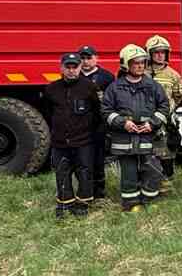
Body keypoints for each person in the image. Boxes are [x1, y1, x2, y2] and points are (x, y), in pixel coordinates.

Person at [100, 44, 171, 212]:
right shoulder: (115, 87)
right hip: (124, 138)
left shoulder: (153, 86)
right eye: (135, 63)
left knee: (153, 170)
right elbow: (106, 110)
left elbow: (164, 107)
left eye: (142, 62)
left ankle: (148, 199)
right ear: (126, 64)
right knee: (129, 173)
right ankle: (131, 204)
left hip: (148, 137)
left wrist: (151, 123)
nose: (140, 66)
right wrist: (123, 122)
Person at [39, 52, 101, 218]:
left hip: (84, 140)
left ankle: (82, 204)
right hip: (60, 141)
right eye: (68, 67)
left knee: (85, 172)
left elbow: (97, 112)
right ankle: (65, 204)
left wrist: (91, 133)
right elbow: (48, 112)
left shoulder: (89, 87)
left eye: (75, 67)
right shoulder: (51, 89)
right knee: (62, 172)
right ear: (62, 68)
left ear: (80, 67)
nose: (72, 70)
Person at [145, 33, 182, 184]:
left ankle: (166, 181)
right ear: (149, 54)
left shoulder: (173, 75)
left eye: (163, 52)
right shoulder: (142, 73)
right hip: (146, 120)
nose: (160, 55)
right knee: (147, 153)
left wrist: (170, 111)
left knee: (166, 153)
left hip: (165, 121)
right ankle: (149, 182)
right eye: (156, 52)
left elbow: (179, 96)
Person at [77, 44, 114, 204]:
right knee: (81, 160)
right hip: (79, 125)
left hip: (99, 124)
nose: (85, 61)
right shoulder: (75, 75)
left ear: (96, 58)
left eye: (89, 57)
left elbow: (114, 99)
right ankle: (84, 190)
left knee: (98, 159)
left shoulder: (107, 77)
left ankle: (99, 192)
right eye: (83, 58)